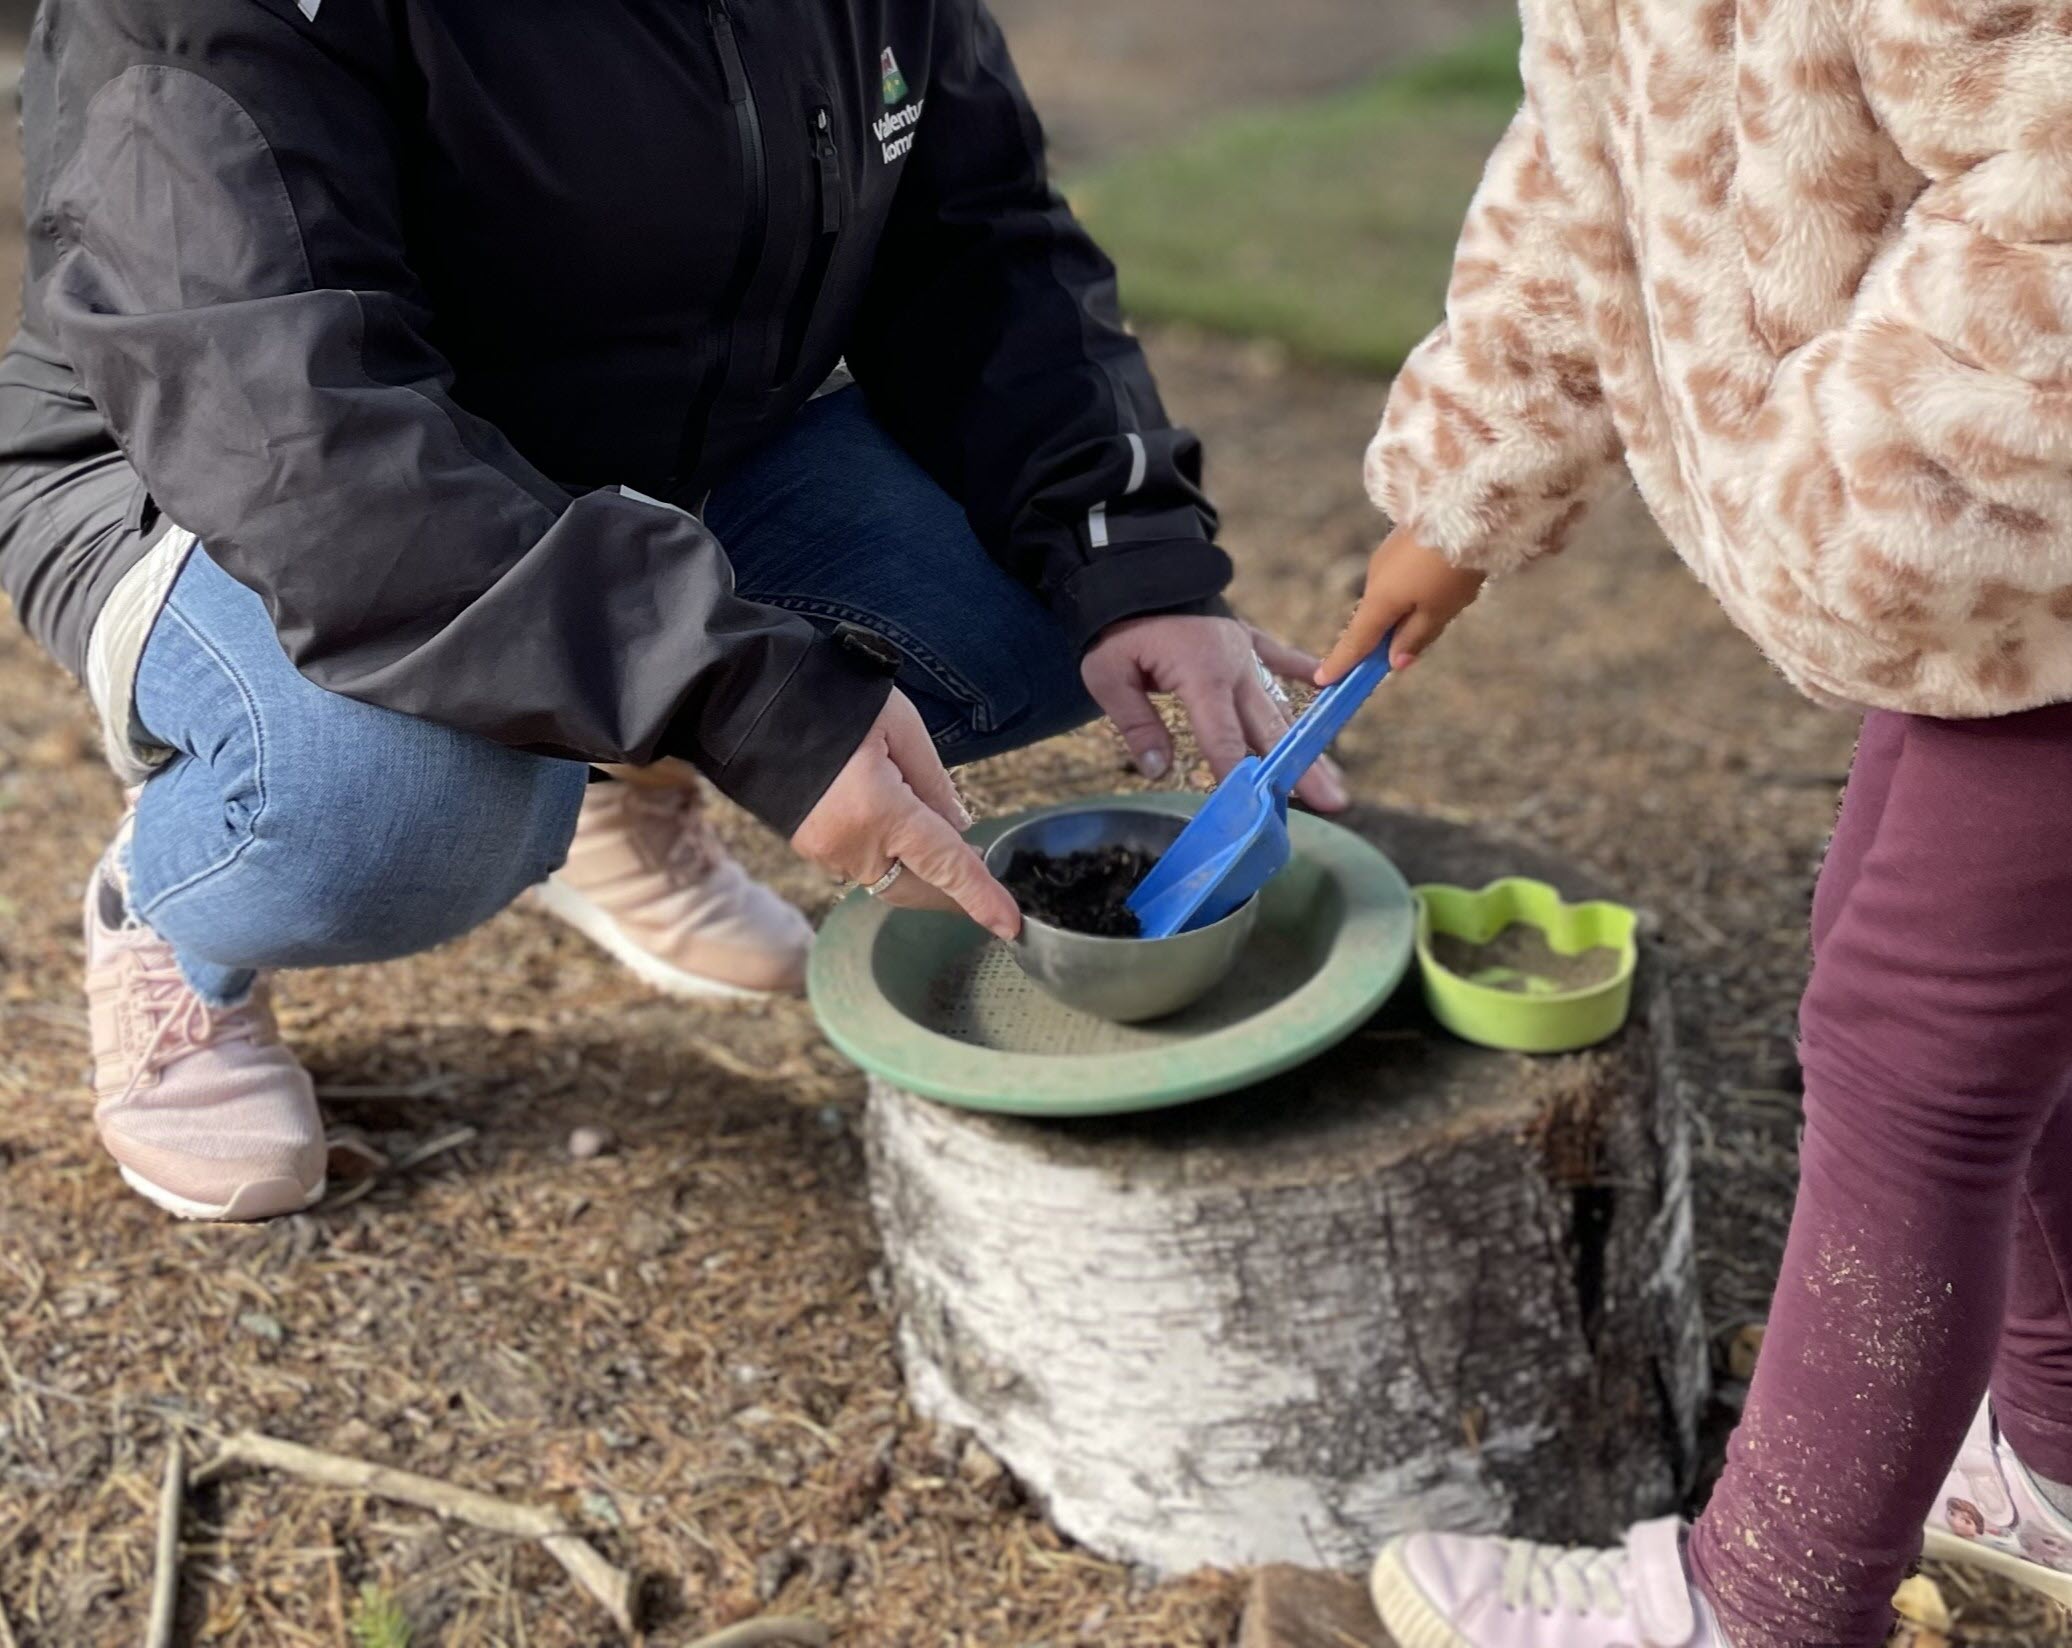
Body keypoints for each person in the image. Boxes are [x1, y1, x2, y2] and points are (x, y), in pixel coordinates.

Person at [0, 0, 1340, 1223]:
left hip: (644, 448)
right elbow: (305, 443)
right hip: (208, 470)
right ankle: (180, 916)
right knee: (412, 798)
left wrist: (1131, 551)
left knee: (1056, 606)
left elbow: (981, 237)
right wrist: (746, 699)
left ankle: (608, 777)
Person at [1314, 3, 2072, 1645]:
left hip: (2025, 532)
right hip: (2006, 571)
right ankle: (2061, 1473)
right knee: (1949, 1009)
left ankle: (1767, 1611)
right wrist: (1468, 483)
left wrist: (1851, 501)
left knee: (1917, 1057)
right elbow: (1599, 134)